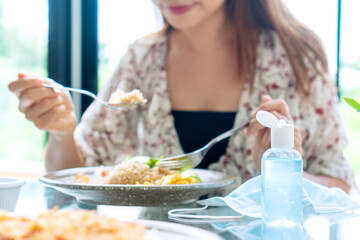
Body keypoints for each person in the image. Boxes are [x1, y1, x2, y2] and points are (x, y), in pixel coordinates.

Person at [8, 0, 355, 193]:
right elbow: (75, 177)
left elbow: (341, 187)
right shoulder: (141, 58)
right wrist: (62, 129)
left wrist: (279, 166)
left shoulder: (295, 56)